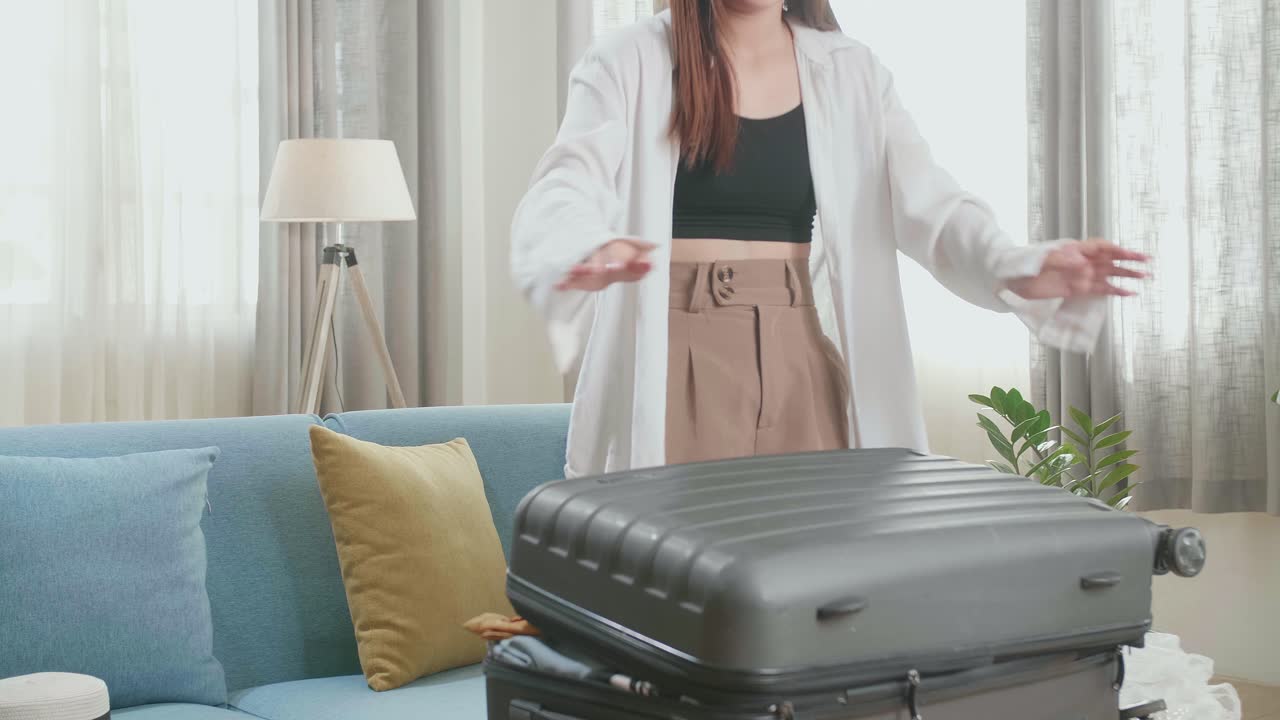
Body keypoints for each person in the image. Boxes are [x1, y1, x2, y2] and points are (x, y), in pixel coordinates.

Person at [511, 0, 1149, 479]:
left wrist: (1019, 266)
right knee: (684, 596)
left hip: (800, 358)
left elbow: (932, 204)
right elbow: (568, 178)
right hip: (677, 352)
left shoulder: (851, 71)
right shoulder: (630, 58)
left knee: (815, 585)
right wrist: (580, 241)